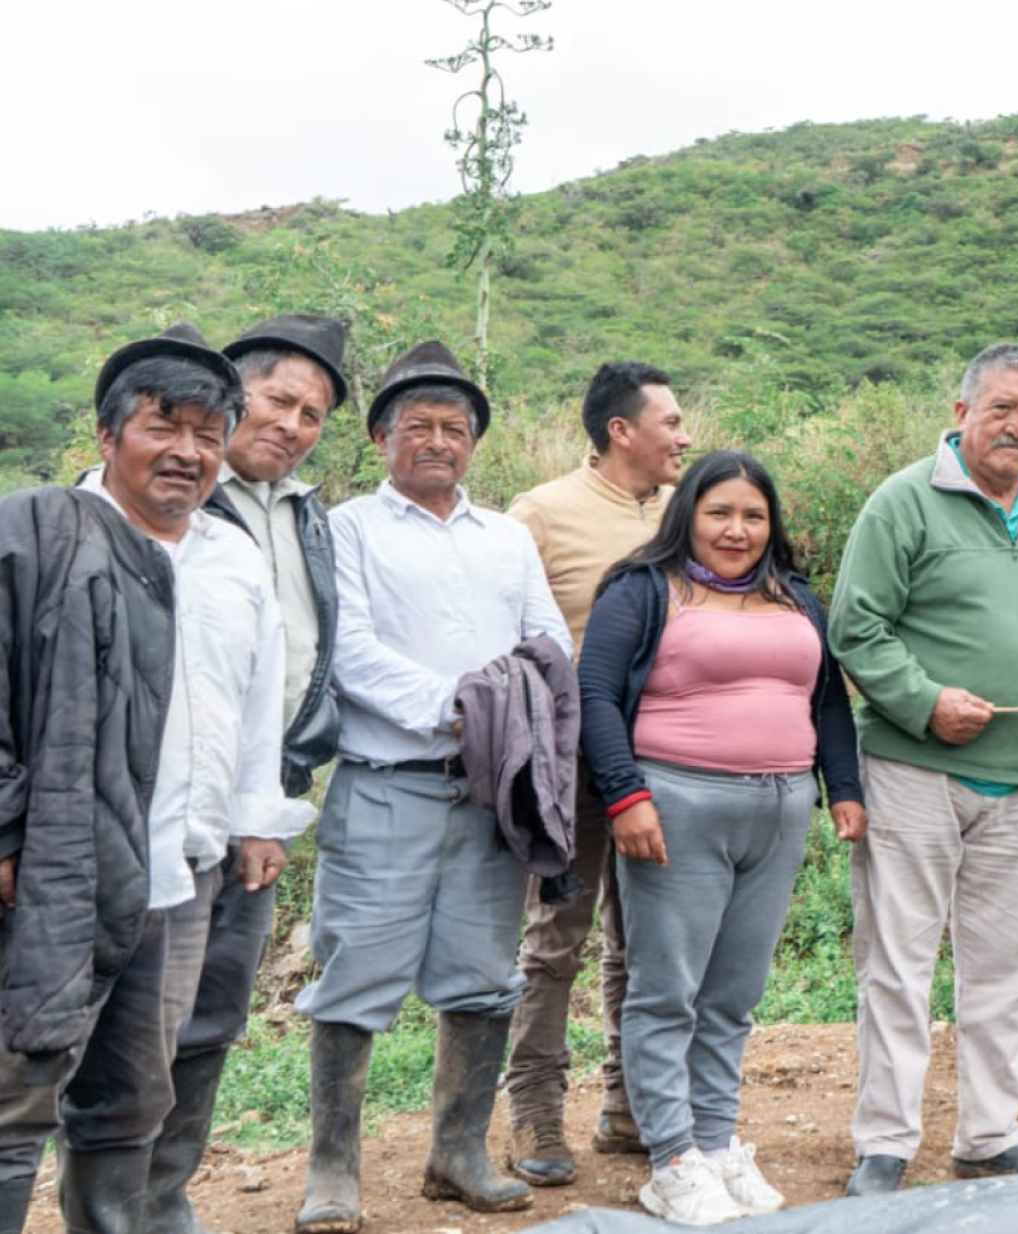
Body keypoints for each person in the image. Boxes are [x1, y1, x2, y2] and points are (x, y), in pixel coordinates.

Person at [0, 324, 309, 1234]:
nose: (187, 453)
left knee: (133, 1092)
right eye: (161, 427)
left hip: (180, 876)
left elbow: (259, 707)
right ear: (106, 436)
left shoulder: (232, 559)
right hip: (55, 872)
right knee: (16, 1093)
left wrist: (257, 820)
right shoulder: (35, 536)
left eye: (208, 436)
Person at [293, 341, 569, 1232]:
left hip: (491, 793)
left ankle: (458, 1153)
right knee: (354, 975)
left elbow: (547, 641)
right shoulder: (346, 530)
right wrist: (461, 704)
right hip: (385, 784)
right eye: (418, 426)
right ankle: (332, 1171)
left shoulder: (507, 537)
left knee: (483, 977)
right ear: (381, 437)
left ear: (476, 444)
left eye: (455, 428)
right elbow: (348, 649)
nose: (439, 442)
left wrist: (508, 713)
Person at [829, 343, 1018, 1197]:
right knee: (898, 960)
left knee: (1010, 962)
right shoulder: (904, 502)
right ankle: (885, 1142)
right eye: (1002, 408)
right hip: (914, 768)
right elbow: (856, 627)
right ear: (961, 413)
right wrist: (925, 702)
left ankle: (991, 1132)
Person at [576, 450, 863, 1224]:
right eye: (719, 513)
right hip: (677, 803)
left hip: (778, 807)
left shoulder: (795, 597)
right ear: (687, 517)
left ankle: (713, 1141)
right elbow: (595, 694)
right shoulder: (643, 590)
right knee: (667, 990)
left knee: (733, 996)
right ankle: (669, 1159)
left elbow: (829, 701)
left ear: (771, 526)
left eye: (753, 516)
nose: (737, 530)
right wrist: (626, 794)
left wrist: (845, 789)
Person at [146, 315, 350, 1234]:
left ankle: (163, 1196)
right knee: (129, 1022)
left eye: (312, 415)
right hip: (156, 808)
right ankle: (112, 1198)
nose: (294, 425)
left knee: (215, 1013)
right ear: (231, 395)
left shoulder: (305, 514)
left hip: (259, 807)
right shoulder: (168, 498)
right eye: (278, 401)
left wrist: (277, 794)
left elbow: (301, 659)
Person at [501, 362, 692, 1183]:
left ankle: (628, 1105)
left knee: (645, 943)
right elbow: (504, 632)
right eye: (672, 422)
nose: (685, 437)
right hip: (573, 765)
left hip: (672, 764)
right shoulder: (540, 514)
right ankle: (536, 1112)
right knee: (557, 943)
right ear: (623, 431)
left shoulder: (687, 515)